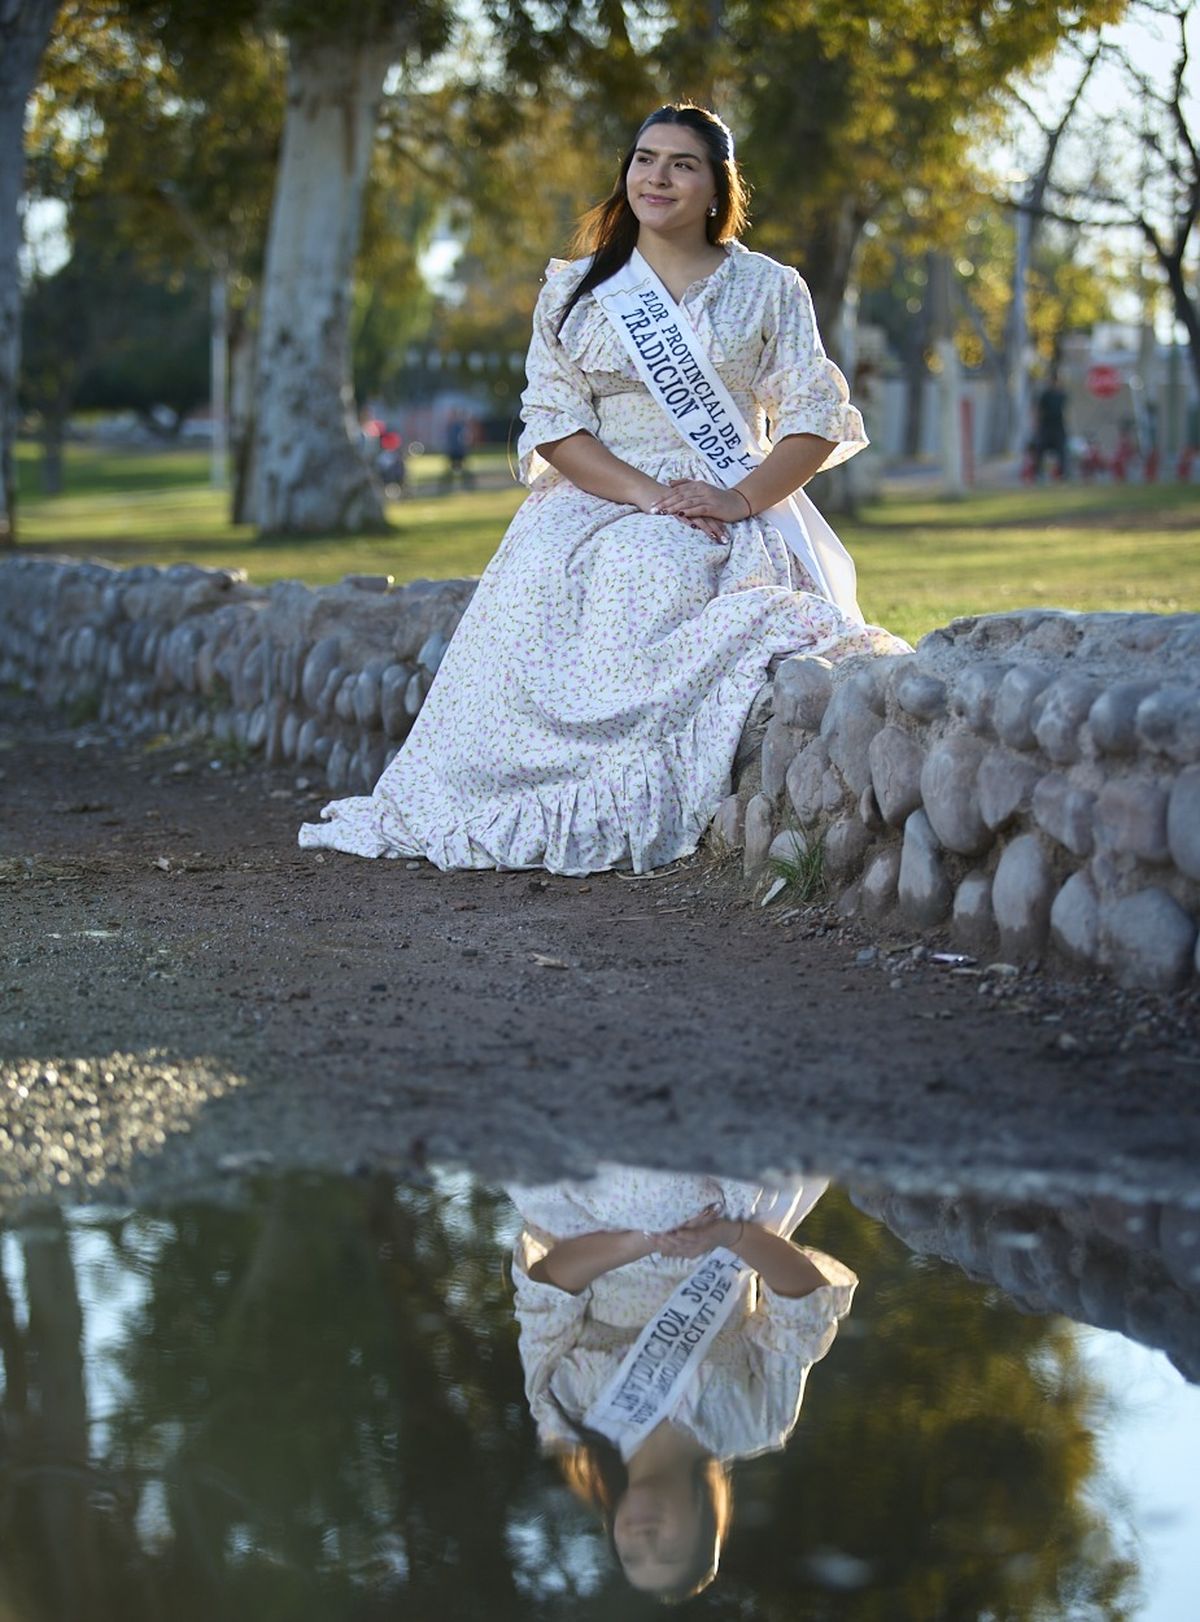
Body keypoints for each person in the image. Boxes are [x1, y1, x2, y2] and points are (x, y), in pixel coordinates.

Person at [300, 103, 907, 875]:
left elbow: (814, 420)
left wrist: (738, 499)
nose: (658, 177)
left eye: (682, 164)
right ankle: (511, 792)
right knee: (544, 585)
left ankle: (621, 784)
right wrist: (648, 495)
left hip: (724, 493)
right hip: (600, 494)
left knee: (649, 570)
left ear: (717, 188)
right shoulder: (577, 290)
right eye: (645, 159)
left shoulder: (768, 288)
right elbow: (555, 426)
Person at [504, 1166, 857, 1601]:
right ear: (704, 1524)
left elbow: (545, 1290)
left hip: (597, 1230)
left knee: (634, 1190)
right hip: (723, 1223)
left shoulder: (563, 1419)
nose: (646, 1539)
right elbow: (802, 1305)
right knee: (670, 1191)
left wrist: (640, 1241)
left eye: (632, 1555)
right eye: (669, 1552)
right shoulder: (756, 1423)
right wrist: (730, 1236)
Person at [1032, 370, 1069, 480]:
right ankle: (1037, 474)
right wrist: (1036, 425)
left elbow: (1066, 411)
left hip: (1058, 426)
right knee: (1040, 449)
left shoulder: (1062, 395)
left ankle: (1062, 474)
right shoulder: (1045, 395)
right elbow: (1039, 410)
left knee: (1062, 450)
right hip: (1046, 426)